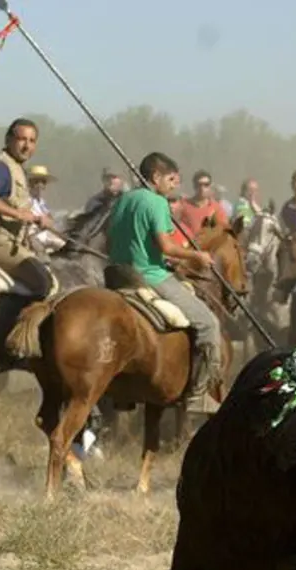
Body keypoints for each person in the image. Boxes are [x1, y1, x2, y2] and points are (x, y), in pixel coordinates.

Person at [107, 152, 222, 401]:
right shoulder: (157, 202)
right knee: (208, 323)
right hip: (149, 276)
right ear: (155, 176)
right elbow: (167, 246)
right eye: (171, 179)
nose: (174, 185)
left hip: (116, 274)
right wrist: (196, 257)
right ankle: (200, 394)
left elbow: (117, 238)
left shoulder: (123, 199)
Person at [0, 118, 56, 297]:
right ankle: (22, 325)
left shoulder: (17, 169)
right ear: (8, 140)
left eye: (32, 141)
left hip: (13, 242)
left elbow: (15, 206)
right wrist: (17, 214)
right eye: (22, 139)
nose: (27, 146)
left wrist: (38, 218)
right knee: (43, 283)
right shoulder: (1, 168)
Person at [175, 170, 229, 243]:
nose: (202, 188)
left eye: (206, 185)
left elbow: (224, 231)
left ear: (210, 186)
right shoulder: (183, 205)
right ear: (194, 186)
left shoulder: (216, 208)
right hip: (188, 249)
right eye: (199, 185)